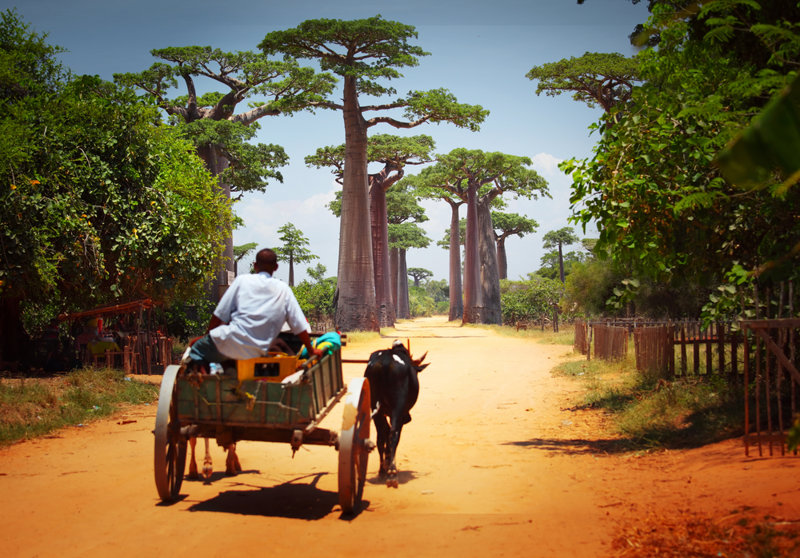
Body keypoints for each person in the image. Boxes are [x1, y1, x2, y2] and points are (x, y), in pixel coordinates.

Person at [187, 248, 323, 367]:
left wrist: (207, 337)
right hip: (258, 351)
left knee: (196, 347)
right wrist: (311, 351)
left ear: (255, 265)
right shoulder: (284, 289)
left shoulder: (241, 281)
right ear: (276, 267)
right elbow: (299, 325)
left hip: (229, 343)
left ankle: (199, 372)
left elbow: (219, 315)